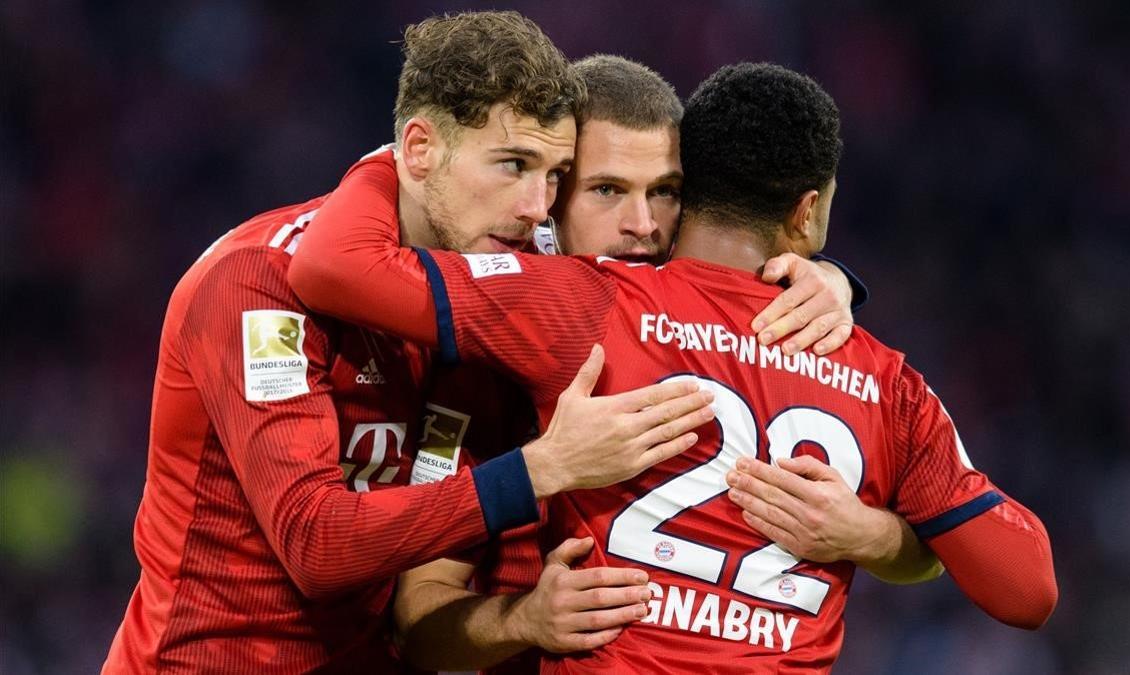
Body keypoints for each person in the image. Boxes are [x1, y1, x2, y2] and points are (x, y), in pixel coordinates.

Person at [288, 62, 1058, 672]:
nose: (641, 224)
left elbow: (340, 265)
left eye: (665, 194)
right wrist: (524, 618)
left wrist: (869, 534)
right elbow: (415, 626)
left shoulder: (583, 308)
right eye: (608, 191)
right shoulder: (882, 379)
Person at [101, 12, 719, 673]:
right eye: (513, 165)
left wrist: (822, 278)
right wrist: (543, 467)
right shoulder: (259, 284)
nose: (538, 206)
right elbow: (315, 545)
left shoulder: (484, 282)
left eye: (554, 176)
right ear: (419, 151)